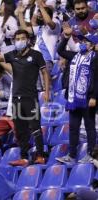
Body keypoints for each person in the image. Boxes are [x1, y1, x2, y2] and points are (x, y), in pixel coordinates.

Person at [0, 30, 50, 166]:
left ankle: (40, 156)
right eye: (17, 38)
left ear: (28, 40)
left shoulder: (36, 55)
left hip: (30, 96)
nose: (20, 41)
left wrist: (46, 91)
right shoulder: (12, 55)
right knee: (20, 130)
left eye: (23, 38)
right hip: (16, 98)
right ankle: (24, 157)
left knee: (35, 127)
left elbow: (45, 72)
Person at [55, 24, 98, 164]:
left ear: (92, 46)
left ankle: (92, 154)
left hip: (87, 98)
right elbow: (60, 50)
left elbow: (97, 78)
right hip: (73, 98)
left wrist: (94, 97)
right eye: (81, 41)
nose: (82, 43)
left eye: (86, 41)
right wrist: (66, 37)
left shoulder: (95, 59)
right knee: (73, 127)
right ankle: (72, 155)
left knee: (90, 127)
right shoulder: (74, 55)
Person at [18, 0, 61, 72]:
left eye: (41, 14)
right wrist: (20, 13)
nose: (39, 15)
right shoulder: (40, 28)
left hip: (46, 61)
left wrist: (40, 6)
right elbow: (24, 29)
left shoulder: (56, 25)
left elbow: (48, 21)